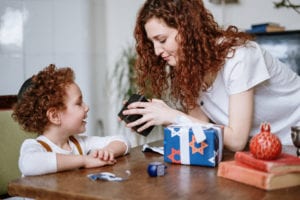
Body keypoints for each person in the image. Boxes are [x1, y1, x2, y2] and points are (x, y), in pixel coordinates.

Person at [121, 0, 300, 152]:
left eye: (161, 40)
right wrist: (158, 116)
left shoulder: (240, 55)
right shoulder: (189, 68)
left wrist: (172, 116)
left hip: (293, 141)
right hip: (266, 149)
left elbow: (237, 140)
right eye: (152, 43)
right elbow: (199, 129)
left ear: (187, 30)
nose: (156, 51)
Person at [12, 64, 130, 176]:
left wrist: (107, 151)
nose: (86, 107)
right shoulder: (35, 146)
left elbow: (123, 141)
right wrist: (85, 160)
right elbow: (29, 164)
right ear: (55, 116)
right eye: (79, 103)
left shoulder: (78, 143)